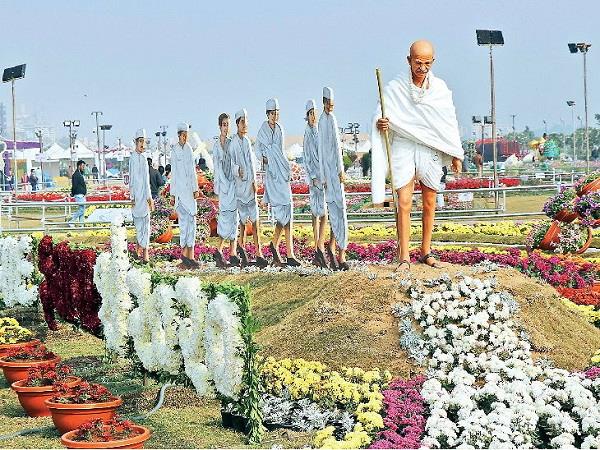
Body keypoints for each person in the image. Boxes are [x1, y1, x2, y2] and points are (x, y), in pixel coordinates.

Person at [372, 40, 463, 272]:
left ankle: (426, 251)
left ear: (433, 61)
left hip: (429, 147)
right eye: (418, 62)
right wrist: (381, 124)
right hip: (403, 144)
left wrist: (455, 153)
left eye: (427, 63)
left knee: (430, 201)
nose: (422, 67)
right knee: (403, 202)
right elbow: (381, 115)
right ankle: (403, 256)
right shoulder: (394, 88)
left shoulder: (440, 89)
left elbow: (448, 122)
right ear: (409, 60)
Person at [256, 98, 300, 267]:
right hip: (272, 176)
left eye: (277, 113)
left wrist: (281, 164)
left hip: (281, 172)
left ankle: (284, 250)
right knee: (283, 210)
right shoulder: (262, 130)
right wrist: (266, 158)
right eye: (272, 113)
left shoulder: (280, 128)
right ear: (267, 114)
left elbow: (280, 150)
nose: (275, 116)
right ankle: (279, 248)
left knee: (287, 209)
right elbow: (258, 150)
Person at [230, 109, 268, 268]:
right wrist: (237, 169)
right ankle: (242, 251)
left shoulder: (247, 141)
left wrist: (254, 181)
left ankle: (258, 253)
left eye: (247, 121)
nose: (246, 125)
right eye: (243, 121)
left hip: (250, 188)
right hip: (240, 189)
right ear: (237, 124)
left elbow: (252, 164)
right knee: (242, 224)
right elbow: (229, 163)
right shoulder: (233, 143)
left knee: (255, 222)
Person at [319, 87, 349, 271]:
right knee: (335, 211)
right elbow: (326, 151)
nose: (331, 107)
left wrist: (339, 170)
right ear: (324, 103)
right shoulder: (323, 121)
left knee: (340, 212)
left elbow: (337, 148)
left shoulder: (331, 119)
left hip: (335, 175)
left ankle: (339, 250)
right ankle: (338, 252)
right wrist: (328, 174)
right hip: (331, 176)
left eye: (333, 104)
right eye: (329, 104)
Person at [170, 122, 200, 269]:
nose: (185, 137)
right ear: (179, 135)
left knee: (192, 224)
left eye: (186, 135)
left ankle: (191, 257)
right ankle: (184, 258)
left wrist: (195, 189)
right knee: (183, 225)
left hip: (190, 192)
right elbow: (174, 174)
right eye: (183, 135)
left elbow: (192, 171)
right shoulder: (174, 150)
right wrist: (172, 194)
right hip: (180, 195)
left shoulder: (188, 148)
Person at [212, 113, 240, 268]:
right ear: (219, 126)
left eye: (228, 124)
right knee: (224, 217)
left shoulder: (232, 143)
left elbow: (235, 162)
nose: (226, 127)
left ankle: (233, 253)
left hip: (233, 185)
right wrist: (219, 186)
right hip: (223, 187)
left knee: (234, 217)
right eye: (224, 124)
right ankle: (219, 250)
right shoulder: (216, 146)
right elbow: (216, 167)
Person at [302, 98, 327, 267]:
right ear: (307, 116)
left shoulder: (319, 131)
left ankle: (320, 245)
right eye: (310, 114)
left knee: (324, 212)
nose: (313, 116)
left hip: (322, 176)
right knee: (315, 211)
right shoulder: (307, 133)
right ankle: (317, 244)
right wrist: (313, 177)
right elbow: (307, 158)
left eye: (314, 113)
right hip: (314, 178)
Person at [129, 129, 154, 263]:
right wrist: (132, 197)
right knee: (139, 226)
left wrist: (149, 197)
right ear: (136, 142)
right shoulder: (132, 157)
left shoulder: (144, 158)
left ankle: (145, 254)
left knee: (146, 226)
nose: (142, 144)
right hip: (136, 198)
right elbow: (132, 179)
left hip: (144, 198)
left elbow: (146, 180)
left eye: (144, 142)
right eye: (140, 142)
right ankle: (138, 251)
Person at [69, 160, 87, 226]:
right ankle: (71, 221)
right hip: (79, 195)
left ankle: (81, 224)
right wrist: (73, 193)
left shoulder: (80, 174)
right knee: (81, 210)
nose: (84, 167)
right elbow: (74, 186)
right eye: (83, 166)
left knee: (82, 209)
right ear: (79, 166)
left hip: (81, 194)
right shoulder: (76, 175)